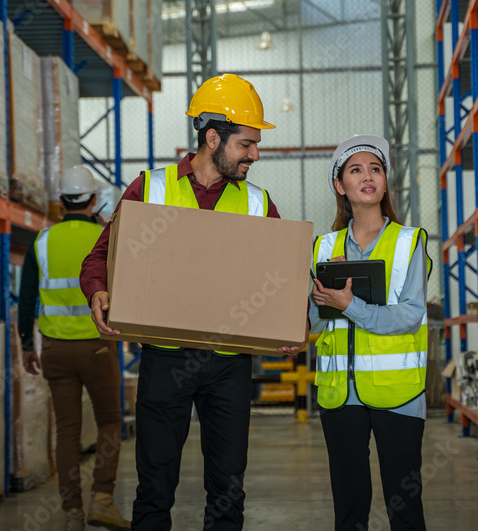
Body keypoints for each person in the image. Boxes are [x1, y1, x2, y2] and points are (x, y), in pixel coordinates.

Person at [79, 74, 306, 531]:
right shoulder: (151, 188)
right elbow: (102, 253)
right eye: (247, 144)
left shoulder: (259, 203)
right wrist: (98, 288)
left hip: (229, 364)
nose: (255, 155)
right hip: (165, 358)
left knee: (227, 487)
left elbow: (283, 276)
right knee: (155, 484)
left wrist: (293, 322)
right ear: (212, 138)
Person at [309, 135, 431, 531]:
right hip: (339, 393)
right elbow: (312, 318)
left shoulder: (408, 240)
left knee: (405, 506)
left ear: (384, 182)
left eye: (375, 169)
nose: (367, 177)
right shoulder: (322, 248)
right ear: (340, 185)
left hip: (398, 394)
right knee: (349, 504)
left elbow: (411, 315)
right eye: (355, 170)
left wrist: (350, 306)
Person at [18, 165, 130, 531]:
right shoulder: (104, 238)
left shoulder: (42, 241)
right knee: (109, 422)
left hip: (54, 349)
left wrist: (25, 345)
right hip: (98, 345)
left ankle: (72, 512)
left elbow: (26, 299)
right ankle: (102, 499)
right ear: (94, 199)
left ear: (61, 200)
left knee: (67, 429)